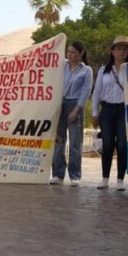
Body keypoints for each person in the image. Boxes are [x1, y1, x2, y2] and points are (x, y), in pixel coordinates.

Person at [91, 36, 128, 191]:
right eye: (119, 48)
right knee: (108, 144)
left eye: (125, 49)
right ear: (112, 51)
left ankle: (120, 180)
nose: (122, 51)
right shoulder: (104, 70)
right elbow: (97, 92)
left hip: (124, 111)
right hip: (107, 110)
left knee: (122, 145)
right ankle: (104, 178)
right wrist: (95, 113)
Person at [51, 41, 93, 187]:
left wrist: (77, 109)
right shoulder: (62, 66)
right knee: (58, 141)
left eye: (73, 52)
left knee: (75, 142)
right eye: (68, 51)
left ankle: (75, 175)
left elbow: (86, 91)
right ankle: (57, 174)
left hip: (75, 104)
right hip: (60, 103)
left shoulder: (86, 70)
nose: (70, 54)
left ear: (80, 53)